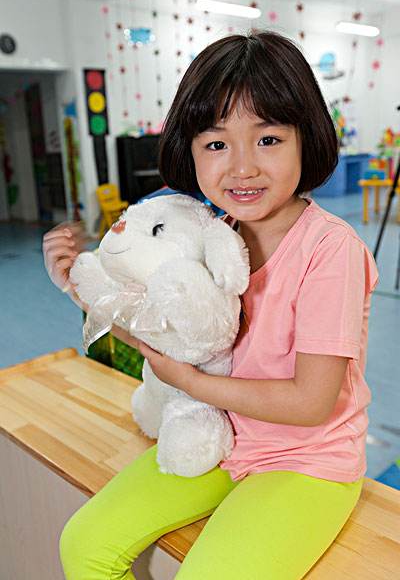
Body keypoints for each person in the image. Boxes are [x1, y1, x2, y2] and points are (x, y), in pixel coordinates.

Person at [43, 30, 378, 580]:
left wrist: (192, 384)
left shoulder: (331, 250)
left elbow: (311, 403)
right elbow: (167, 338)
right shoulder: (209, 233)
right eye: (217, 144)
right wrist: (81, 290)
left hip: (306, 461)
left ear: (306, 139)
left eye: (268, 139)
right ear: (191, 151)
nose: (242, 167)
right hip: (219, 435)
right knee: (84, 544)